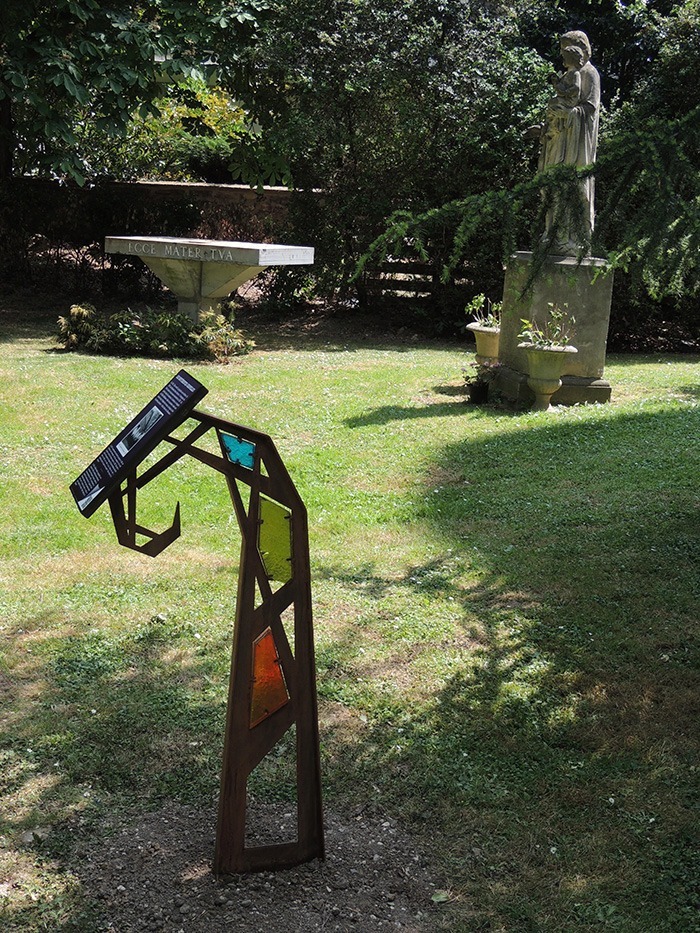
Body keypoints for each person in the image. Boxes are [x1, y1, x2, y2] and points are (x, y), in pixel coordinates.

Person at [526, 31, 601, 255]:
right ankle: (552, 234)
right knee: (552, 186)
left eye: (566, 51)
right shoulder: (569, 73)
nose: (562, 56)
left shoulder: (590, 74)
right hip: (558, 141)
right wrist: (544, 129)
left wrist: (567, 114)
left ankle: (572, 240)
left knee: (572, 187)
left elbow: (590, 111)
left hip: (576, 147)